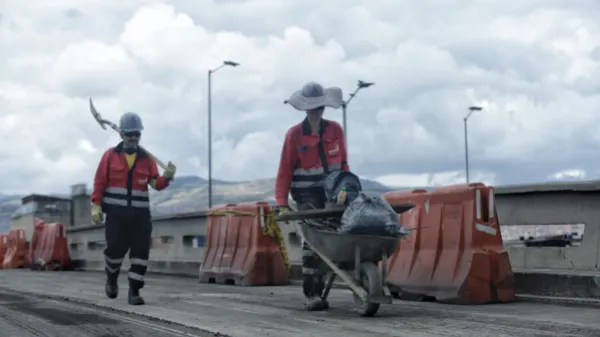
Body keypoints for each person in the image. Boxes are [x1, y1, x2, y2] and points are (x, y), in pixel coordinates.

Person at [275, 81, 350, 311]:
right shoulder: (294, 135)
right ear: (306, 109)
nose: (317, 111)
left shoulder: (335, 130)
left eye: (320, 107)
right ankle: (312, 293)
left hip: (333, 191)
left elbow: (344, 164)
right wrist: (281, 204)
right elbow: (285, 171)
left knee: (343, 229)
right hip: (306, 193)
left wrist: (347, 188)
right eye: (313, 107)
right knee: (312, 238)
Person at [90, 112, 176, 305]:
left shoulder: (147, 160)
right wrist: (96, 205)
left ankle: (134, 292)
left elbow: (156, 184)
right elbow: (99, 183)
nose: (133, 138)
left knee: (140, 254)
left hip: (140, 217)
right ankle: (111, 279)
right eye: (129, 134)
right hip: (116, 216)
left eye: (136, 134)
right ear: (121, 135)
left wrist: (167, 177)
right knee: (114, 252)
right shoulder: (110, 156)